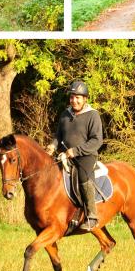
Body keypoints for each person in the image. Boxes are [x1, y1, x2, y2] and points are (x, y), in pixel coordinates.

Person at [46, 81, 103, 231]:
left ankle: (92, 216)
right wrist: (53, 145)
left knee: (83, 177)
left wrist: (76, 151)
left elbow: (97, 140)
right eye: (72, 97)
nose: (74, 100)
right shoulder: (65, 114)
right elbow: (58, 135)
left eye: (78, 97)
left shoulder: (93, 115)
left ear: (85, 99)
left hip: (86, 156)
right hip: (66, 155)